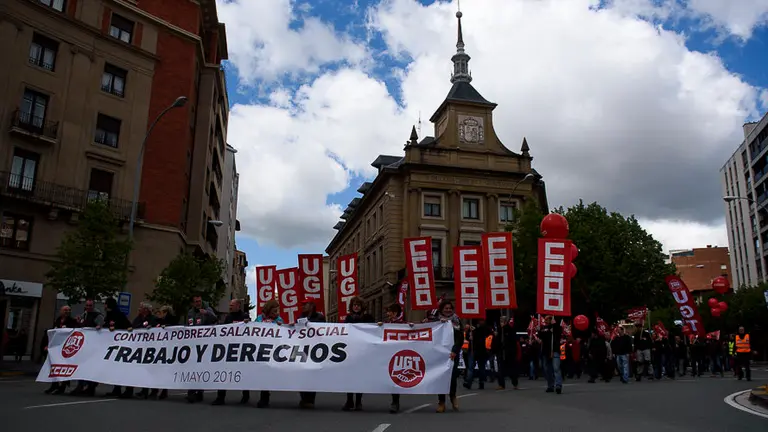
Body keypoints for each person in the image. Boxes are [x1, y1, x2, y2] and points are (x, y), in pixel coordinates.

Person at [212, 299, 251, 406]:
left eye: (232, 305)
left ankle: (245, 396)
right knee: (224, 372)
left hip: (241, 349)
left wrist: (247, 323)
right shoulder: (228, 317)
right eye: (229, 305)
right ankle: (220, 397)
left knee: (242, 373)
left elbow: (251, 330)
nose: (230, 307)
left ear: (238, 305)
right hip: (229, 348)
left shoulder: (245, 316)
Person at [377, 303, 412, 413]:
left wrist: (411, 327)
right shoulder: (386, 324)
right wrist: (378, 326)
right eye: (387, 311)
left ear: (395, 313)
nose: (388, 314)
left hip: (398, 355)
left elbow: (410, 330)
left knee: (395, 377)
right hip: (386, 354)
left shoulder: (402, 324)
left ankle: (395, 401)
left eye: (389, 312)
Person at [429, 299, 462, 413]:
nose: (448, 310)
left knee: (452, 377)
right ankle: (441, 402)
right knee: (441, 377)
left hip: (452, 353)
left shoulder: (456, 320)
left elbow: (460, 338)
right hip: (439, 354)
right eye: (446, 308)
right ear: (441, 310)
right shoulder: (436, 321)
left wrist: (454, 351)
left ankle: (453, 397)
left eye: (450, 308)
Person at [343, 297, 375, 411]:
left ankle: (358, 401)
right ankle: (349, 400)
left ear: (362, 307)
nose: (356, 307)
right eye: (354, 305)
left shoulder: (368, 318)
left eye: (358, 305)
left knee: (360, 376)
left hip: (362, 350)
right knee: (349, 376)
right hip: (350, 350)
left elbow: (373, 330)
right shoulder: (348, 318)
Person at [185, 296, 217, 403]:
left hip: (204, 344)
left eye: (199, 301)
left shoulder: (207, 309)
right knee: (192, 367)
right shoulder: (190, 312)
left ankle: (199, 392)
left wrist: (206, 313)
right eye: (196, 302)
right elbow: (187, 325)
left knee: (200, 367)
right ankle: (191, 392)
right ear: (193, 303)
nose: (198, 303)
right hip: (193, 344)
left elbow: (215, 319)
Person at [43, 306, 79, 395]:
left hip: (66, 348)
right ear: (61, 311)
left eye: (69, 310)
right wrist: (48, 345)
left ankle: (62, 386)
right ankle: (54, 385)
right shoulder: (57, 320)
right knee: (54, 366)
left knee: (64, 366)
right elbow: (53, 333)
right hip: (56, 347)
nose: (67, 312)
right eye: (65, 310)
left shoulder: (72, 321)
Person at [254, 299, 283, 408]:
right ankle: (263, 395)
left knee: (267, 371)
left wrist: (281, 326)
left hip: (273, 350)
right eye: (274, 311)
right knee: (262, 372)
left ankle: (265, 396)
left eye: (277, 311)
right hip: (260, 349)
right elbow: (253, 329)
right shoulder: (259, 319)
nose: (276, 313)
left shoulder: (279, 320)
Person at [298, 300, 325, 409]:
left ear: (312, 306)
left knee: (312, 373)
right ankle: (304, 397)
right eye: (302, 304)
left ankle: (310, 399)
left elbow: (324, 330)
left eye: (305, 305)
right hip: (303, 348)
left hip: (315, 348)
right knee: (301, 373)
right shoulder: (300, 317)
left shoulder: (319, 317)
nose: (303, 306)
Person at [102, 298, 131, 397]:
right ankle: (117, 388)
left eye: (105, 304)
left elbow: (128, 326)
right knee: (115, 368)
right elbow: (106, 325)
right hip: (112, 346)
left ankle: (128, 390)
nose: (104, 305)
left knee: (123, 368)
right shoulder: (108, 315)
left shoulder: (119, 314)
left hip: (121, 345)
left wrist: (117, 328)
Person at [493, 316, 520, 390]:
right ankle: (501, 384)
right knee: (500, 369)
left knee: (511, 369)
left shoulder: (510, 329)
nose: (501, 322)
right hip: (501, 352)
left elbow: (513, 341)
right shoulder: (498, 330)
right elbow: (496, 342)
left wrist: (512, 351)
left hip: (509, 353)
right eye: (500, 320)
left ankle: (515, 383)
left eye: (503, 321)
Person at [538, 315, 563, 394]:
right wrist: (539, 331)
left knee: (556, 368)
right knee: (547, 369)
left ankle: (558, 385)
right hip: (546, 351)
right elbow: (542, 336)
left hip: (554, 350)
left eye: (548, 319)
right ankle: (550, 385)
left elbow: (559, 333)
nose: (546, 321)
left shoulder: (556, 328)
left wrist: (554, 325)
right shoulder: (544, 328)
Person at [463, 319, 491, 390]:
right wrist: (469, 337)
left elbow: (487, 335)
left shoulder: (484, 328)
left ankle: (479, 382)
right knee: (472, 367)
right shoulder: (473, 328)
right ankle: (470, 382)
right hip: (474, 349)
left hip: (479, 350)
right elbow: (467, 337)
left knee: (478, 367)